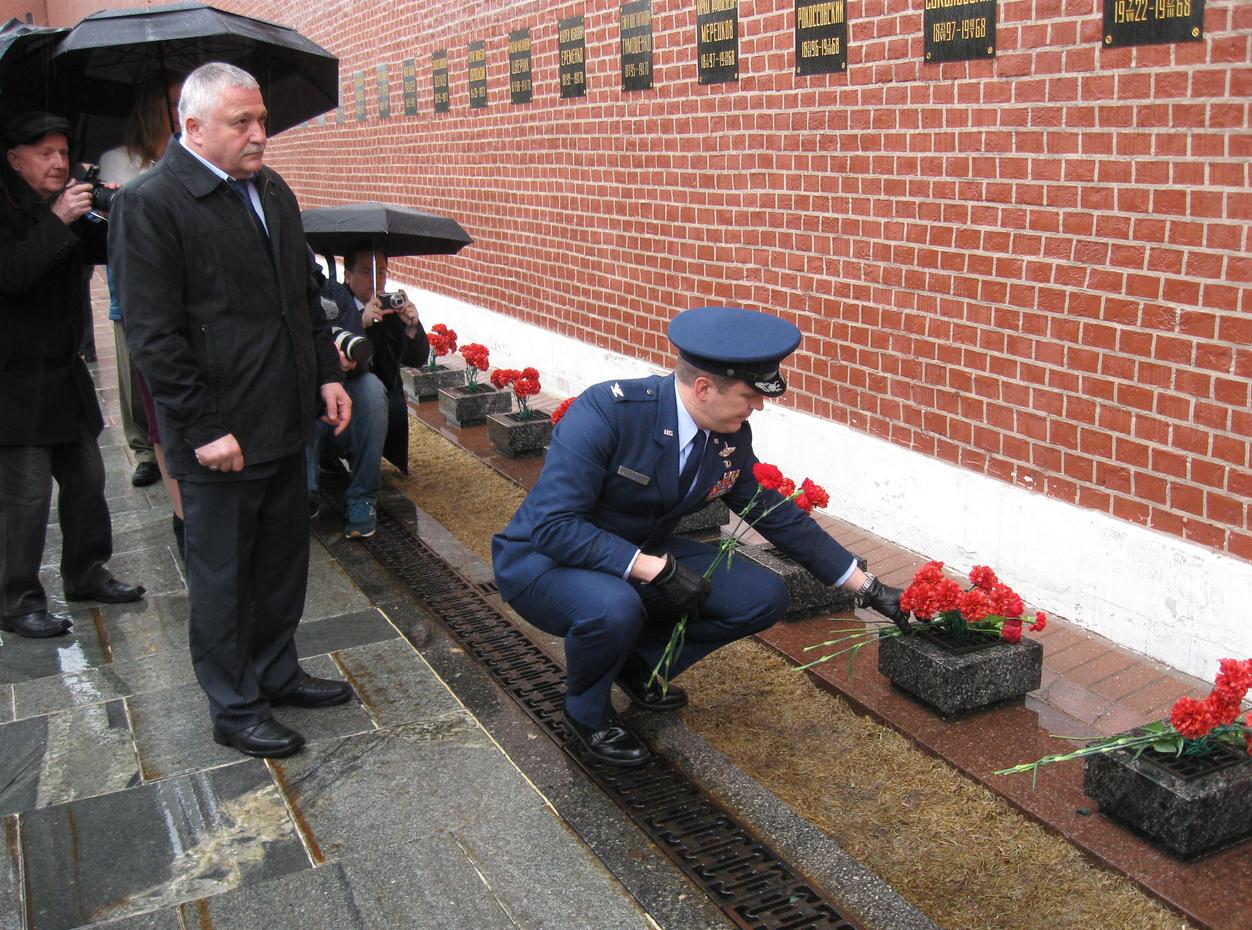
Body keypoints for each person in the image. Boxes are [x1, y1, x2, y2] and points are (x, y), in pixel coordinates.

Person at [492, 306, 909, 767]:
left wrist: (869, 589)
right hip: (545, 561)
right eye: (751, 394)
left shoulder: (728, 434)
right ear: (704, 388)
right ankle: (586, 711)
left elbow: (775, 515)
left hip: (637, 554)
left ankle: (639, 665)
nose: (760, 406)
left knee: (762, 595)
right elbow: (554, 525)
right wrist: (657, 568)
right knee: (615, 607)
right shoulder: (609, 411)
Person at [110, 63, 353, 759]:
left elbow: (302, 298)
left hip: (284, 414)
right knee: (222, 572)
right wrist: (201, 427)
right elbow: (153, 336)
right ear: (192, 128)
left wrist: (327, 376)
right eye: (241, 122)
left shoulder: (271, 190)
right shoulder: (151, 204)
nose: (259, 134)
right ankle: (234, 702)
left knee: (281, 559)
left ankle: (276, 669)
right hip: (219, 431)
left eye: (262, 120)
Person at [0, 110, 145, 639]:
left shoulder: (60, 203)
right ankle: (17, 599)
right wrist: (58, 217)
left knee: (87, 480)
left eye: (63, 153)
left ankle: (87, 573)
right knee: (27, 496)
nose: (58, 163)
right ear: (15, 159)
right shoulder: (16, 210)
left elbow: (107, 250)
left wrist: (111, 206)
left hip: (64, 376)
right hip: (14, 384)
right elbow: (14, 274)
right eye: (46, 154)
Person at [100, 73, 187, 544]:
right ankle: (146, 452)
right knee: (142, 386)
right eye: (170, 103)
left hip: (179, 293)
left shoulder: (189, 158)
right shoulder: (121, 162)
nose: (176, 111)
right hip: (134, 288)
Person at [308, 247, 427, 539]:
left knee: (371, 389)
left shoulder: (390, 311)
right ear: (347, 275)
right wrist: (358, 326)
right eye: (366, 271)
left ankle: (362, 498)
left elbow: (414, 359)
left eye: (383, 271)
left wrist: (411, 327)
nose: (377, 280)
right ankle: (305, 493)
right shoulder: (331, 298)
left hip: (369, 407)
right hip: (314, 406)